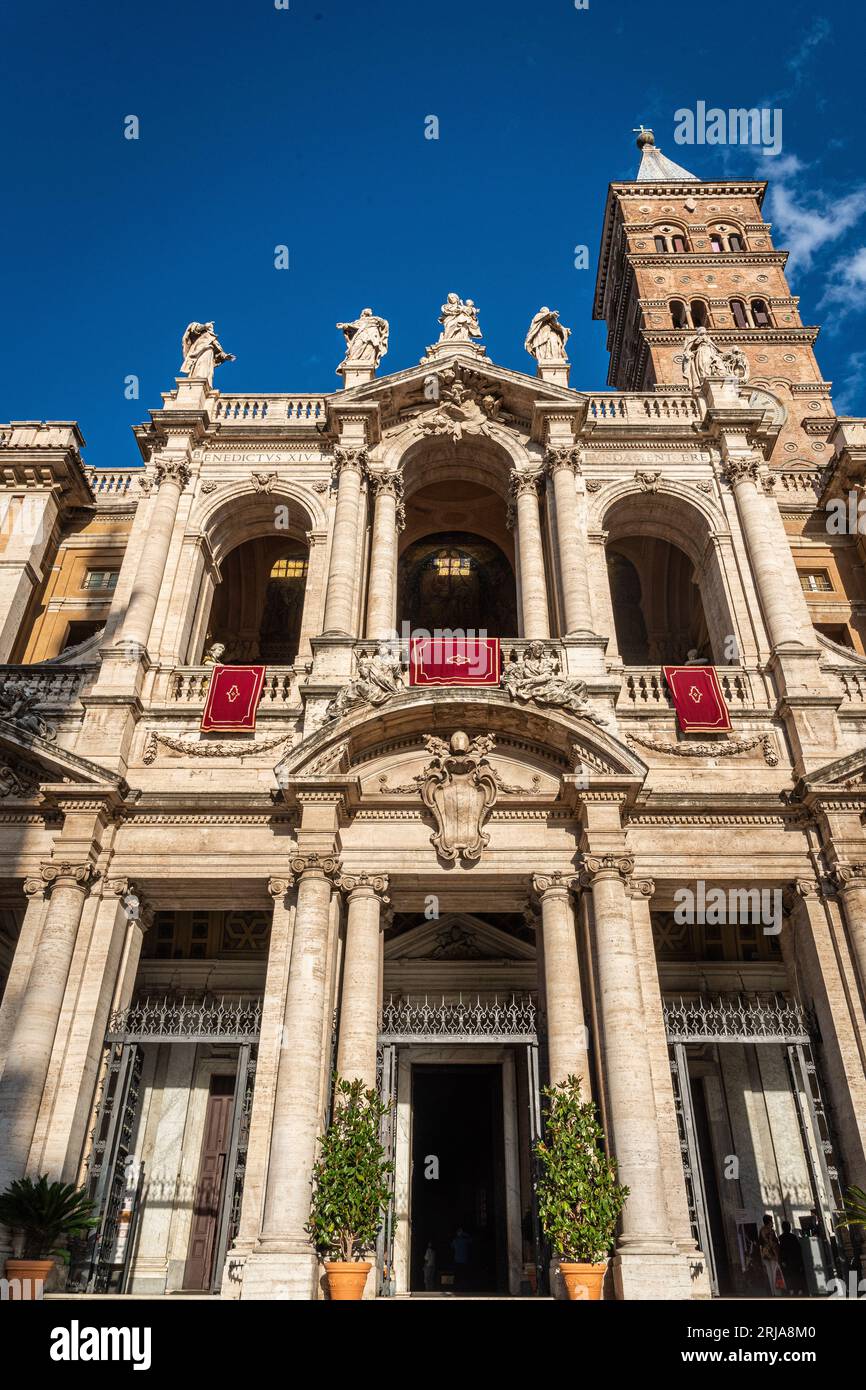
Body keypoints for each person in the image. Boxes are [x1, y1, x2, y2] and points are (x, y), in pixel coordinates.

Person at [758, 1213, 785, 1296]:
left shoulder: (761, 1230)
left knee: (769, 1274)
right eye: (772, 1221)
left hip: (765, 1254)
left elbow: (760, 1242)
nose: (773, 1223)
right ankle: (777, 1292)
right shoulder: (771, 1231)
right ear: (769, 1222)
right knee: (775, 1272)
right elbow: (775, 1242)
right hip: (772, 1254)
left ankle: (773, 1293)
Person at [778, 1220, 806, 1297]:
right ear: (789, 1228)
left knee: (789, 1276)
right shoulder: (793, 1237)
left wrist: (782, 1261)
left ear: (782, 1228)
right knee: (797, 1275)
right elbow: (798, 1249)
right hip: (795, 1260)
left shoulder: (781, 1238)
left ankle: (791, 1290)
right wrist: (800, 1261)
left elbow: (781, 1251)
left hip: (787, 1261)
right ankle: (799, 1289)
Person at [451, 1226, 472, 1292]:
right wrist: (464, 1234)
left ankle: (461, 1288)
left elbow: (471, 1241)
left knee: (461, 1275)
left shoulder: (462, 1240)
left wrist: (464, 1234)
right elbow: (452, 1246)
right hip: (459, 1260)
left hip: (462, 1260)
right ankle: (458, 1288)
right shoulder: (457, 1240)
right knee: (459, 1275)